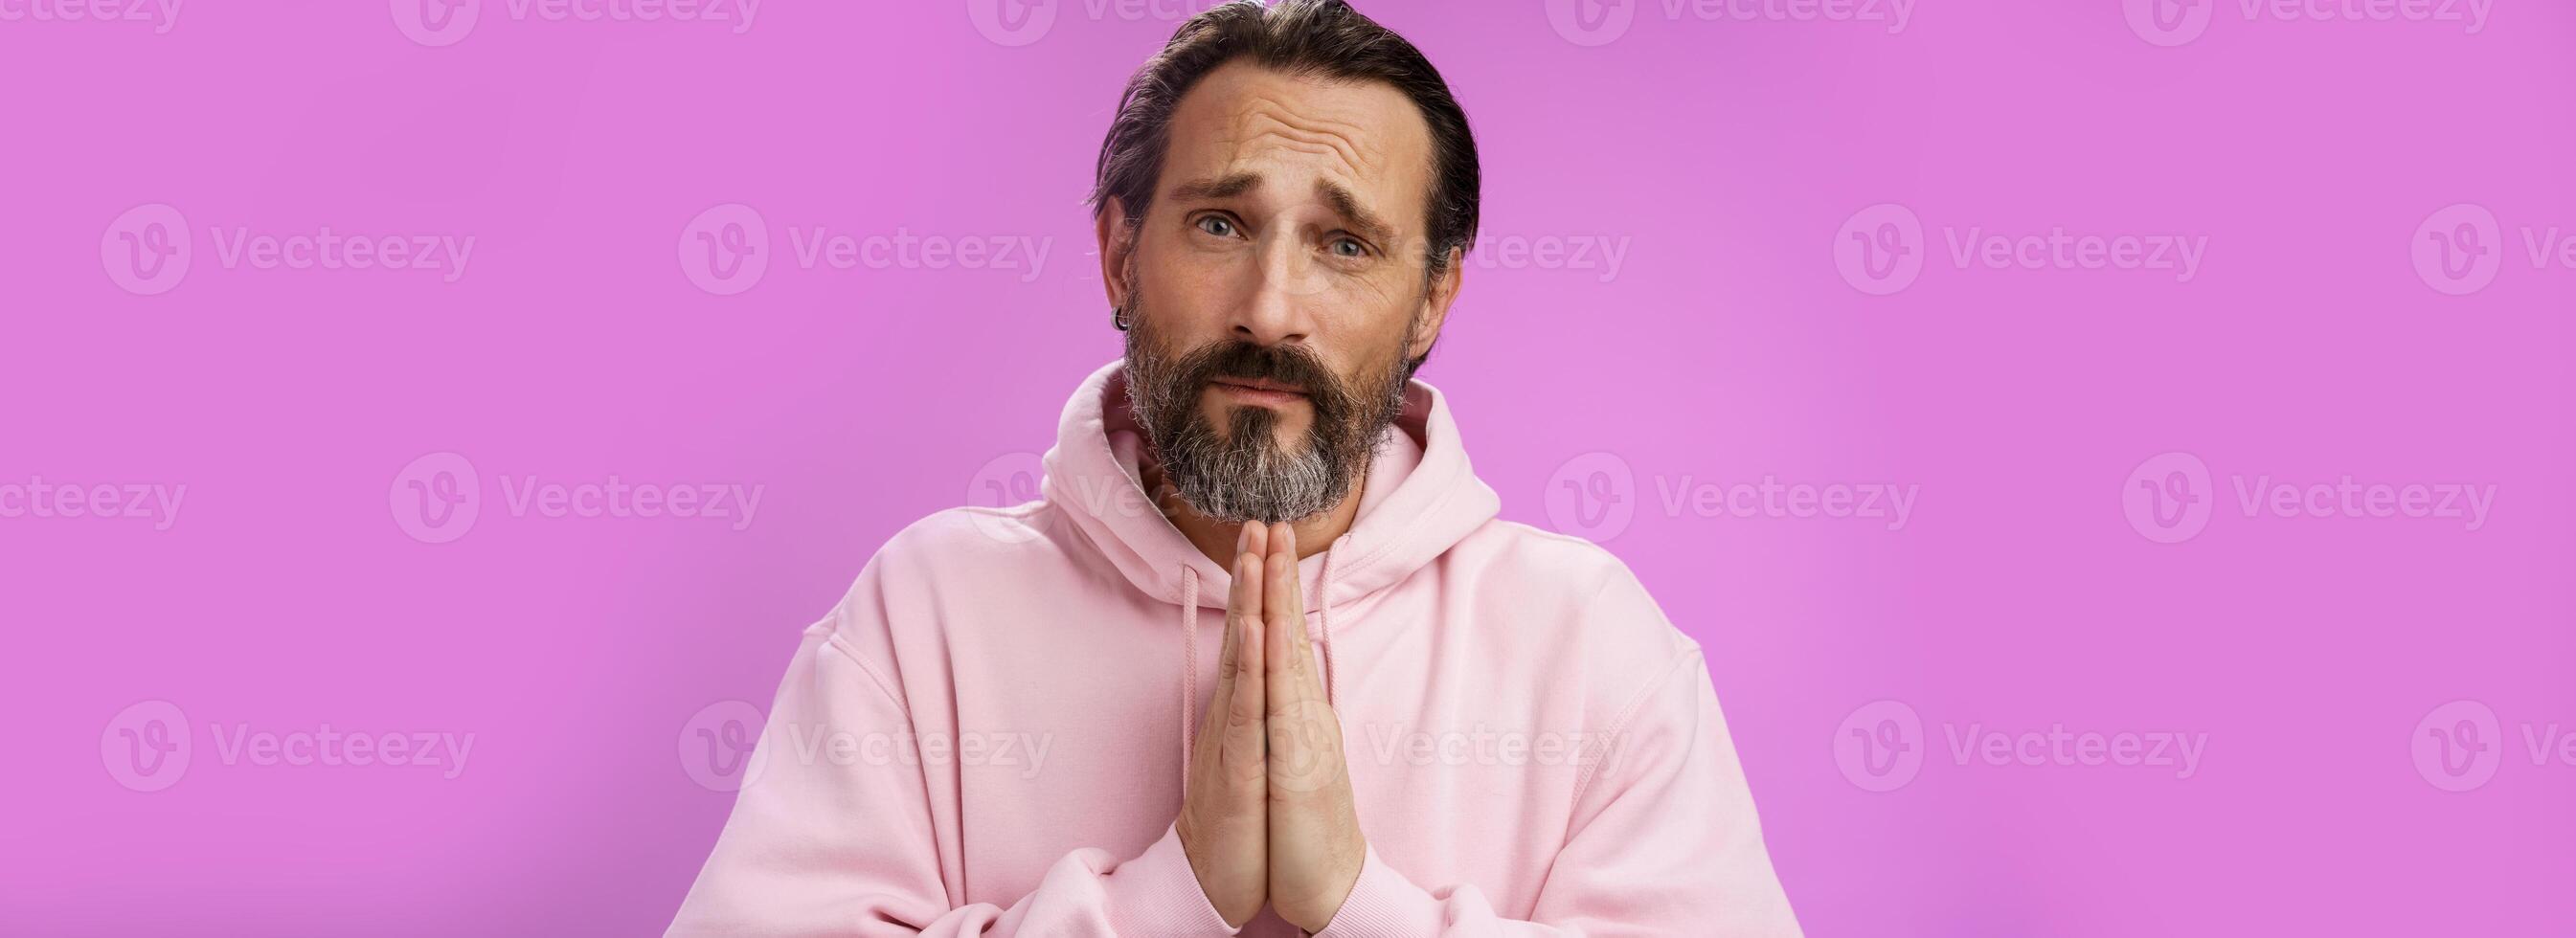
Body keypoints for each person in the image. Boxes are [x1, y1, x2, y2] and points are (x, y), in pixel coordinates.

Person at [668, 2, 1798, 933]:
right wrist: (1168, 897)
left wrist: (1356, 904)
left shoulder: (1590, 642)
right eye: (1219, 225)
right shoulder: (924, 615)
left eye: (1344, 245)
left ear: (1432, 300)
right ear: (1120, 252)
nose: (1269, 308)